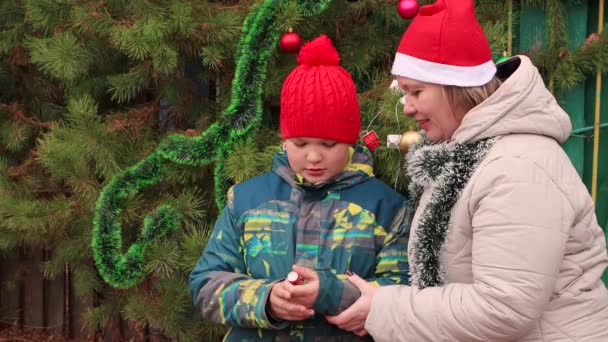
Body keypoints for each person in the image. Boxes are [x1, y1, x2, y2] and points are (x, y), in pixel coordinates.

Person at [324, 0, 608, 340]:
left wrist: (384, 308)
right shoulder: (468, 152)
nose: (408, 107)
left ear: (457, 87)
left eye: (416, 91)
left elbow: (503, 307)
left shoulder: (518, 166)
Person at [188, 35, 410, 341]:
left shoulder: (386, 207)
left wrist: (332, 292)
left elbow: (404, 293)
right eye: (300, 143)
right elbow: (205, 284)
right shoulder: (247, 200)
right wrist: (266, 299)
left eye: (329, 144)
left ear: (349, 141)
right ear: (284, 138)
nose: (314, 156)